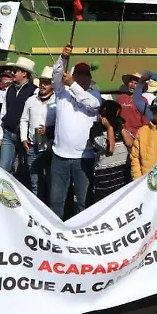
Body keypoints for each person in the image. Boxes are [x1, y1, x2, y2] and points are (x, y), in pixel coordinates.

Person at [49, 45, 101, 218]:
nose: (82, 79)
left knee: (83, 201)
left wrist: (73, 84)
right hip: (60, 156)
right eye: (79, 76)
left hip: (84, 157)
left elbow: (93, 106)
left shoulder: (95, 95)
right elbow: (56, 75)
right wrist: (63, 58)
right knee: (56, 200)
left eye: (86, 76)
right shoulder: (61, 93)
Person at [20, 66, 56, 200]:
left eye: (46, 82)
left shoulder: (57, 101)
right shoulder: (31, 100)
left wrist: (49, 130)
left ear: (52, 85)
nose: (42, 85)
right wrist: (24, 138)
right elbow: (24, 120)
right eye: (41, 82)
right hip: (33, 146)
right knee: (35, 182)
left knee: (52, 181)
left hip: (52, 146)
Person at [89, 100, 134, 204]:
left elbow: (130, 143)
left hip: (123, 177)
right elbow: (110, 148)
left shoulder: (119, 127)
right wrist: (109, 128)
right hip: (105, 180)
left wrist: (120, 127)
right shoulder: (95, 130)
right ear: (101, 117)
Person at [0, 57, 37, 174]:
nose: (12, 73)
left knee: (24, 168)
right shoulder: (10, 89)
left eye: (15, 71)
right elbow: (4, 111)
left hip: (23, 134)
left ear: (24, 73)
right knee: (4, 167)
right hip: (8, 132)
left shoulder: (33, 91)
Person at [116, 72, 148, 137]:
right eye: (131, 82)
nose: (132, 85)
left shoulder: (143, 101)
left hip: (136, 135)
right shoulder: (121, 98)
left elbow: (146, 122)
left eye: (136, 83)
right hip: (121, 134)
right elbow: (116, 116)